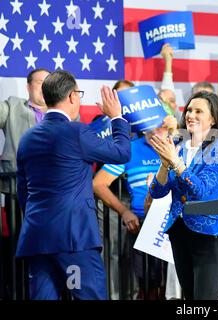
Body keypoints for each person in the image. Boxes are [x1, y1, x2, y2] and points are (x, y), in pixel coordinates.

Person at [15, 70, 131, 300]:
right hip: (72, 242)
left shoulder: (27, 138)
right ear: (71, 97)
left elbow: (23, 192)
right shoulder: (77, 132)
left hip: (37, 238)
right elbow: (122, 152)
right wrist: (117, 117)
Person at [148, 91, 218, 300]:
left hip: (210, 233)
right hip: (180, 232)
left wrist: (175, 163)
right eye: (189, 110)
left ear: (212, 118)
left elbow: (202, 190)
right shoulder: (177, 146)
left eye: (198, 111)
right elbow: (157, 192)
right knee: (189, 298)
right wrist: (164, 163)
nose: (191, 115)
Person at [93, 116, 177, 300]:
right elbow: (98, 183)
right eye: (150, 124)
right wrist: (124, 211)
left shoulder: (177, 144)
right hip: (143, 224)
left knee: (174, 290)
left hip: (176, 224)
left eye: (161, 125)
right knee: (147, 287)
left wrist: (177, 132)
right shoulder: (130, 149)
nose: (156, 130)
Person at [0, 68, 50, 174]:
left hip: (52, 184)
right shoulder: (12, 106)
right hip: (15, 183)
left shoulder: (63, 113)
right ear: (28, 87)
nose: (45, 86)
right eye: (40, 82)